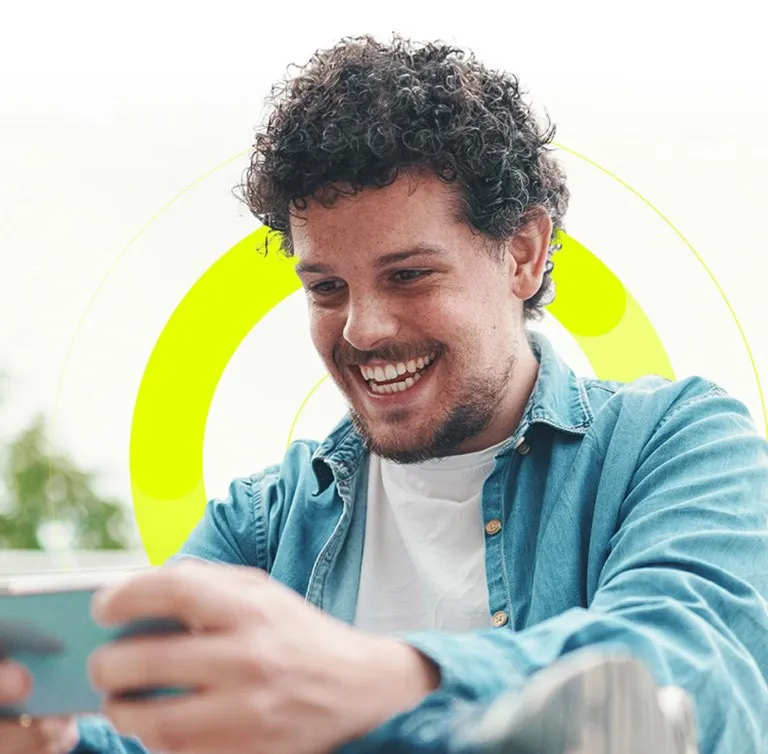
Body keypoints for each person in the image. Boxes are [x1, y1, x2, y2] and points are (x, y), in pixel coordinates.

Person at [1, 34, 766, 754]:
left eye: (408, 275)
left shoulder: (676, 442)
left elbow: (696, 672)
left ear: (524, 255)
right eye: (327, 288)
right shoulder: (263, 525)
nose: (362, 329)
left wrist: (380, 682)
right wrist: (50, 736)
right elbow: (158, 732)